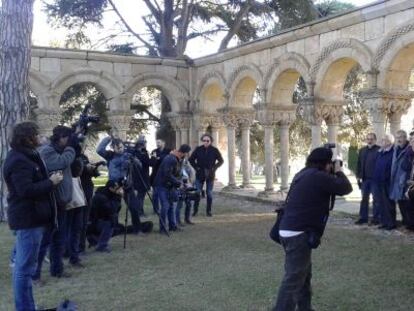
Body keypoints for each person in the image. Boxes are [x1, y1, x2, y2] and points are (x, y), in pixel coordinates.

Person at [273, 147, 352, 311]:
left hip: (288, 230)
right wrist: (339, 171)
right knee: (294, 279)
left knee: (304, 275)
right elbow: (345, 188)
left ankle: (305, 308)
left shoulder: (303, 173)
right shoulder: (319, 177)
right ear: (326, 163)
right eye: (330, 163)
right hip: (298, 234)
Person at [3, 122, 63, 311]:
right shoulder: (19, 159)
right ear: (28, 138)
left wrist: (48, 180)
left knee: (25, 268)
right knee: (24, 270)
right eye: (37, 134)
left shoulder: (28, 156)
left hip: (33, 217)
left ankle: (28, 306)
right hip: (28, 219)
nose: (40, 137)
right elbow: (25, 190)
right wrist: (50, 182)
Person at [34, 125, 76, 280]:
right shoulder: (47, 151)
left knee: (59, 239)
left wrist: (76, 151)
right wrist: (72, 148)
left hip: (61, 202)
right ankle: (35, 275)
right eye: (68, 138)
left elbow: (74, 168)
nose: (69, 141)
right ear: (62, 138)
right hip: (50, 203)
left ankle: (57, 270)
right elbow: (60, 163)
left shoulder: (61, 150)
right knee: (45, 241)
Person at [97, 136, 142, 233]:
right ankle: (114, 228)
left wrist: (133, 160)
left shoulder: (128, 155)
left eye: (121, 147)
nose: (120, 149)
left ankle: (137, 229)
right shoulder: (110, 155)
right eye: (117, 148)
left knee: (134, 207)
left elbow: (139, 165)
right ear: (113, 147)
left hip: (127, 185)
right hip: (114, 186)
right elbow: (99, 150)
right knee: (114, 209)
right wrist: (109, 138)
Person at [154, 144, 191, 233]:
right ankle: (162, 228)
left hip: (170, 185)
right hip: (162, 185)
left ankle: (172, 226)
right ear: (184, 153)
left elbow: (177, 174)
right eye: (187, 153)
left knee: (171, 205)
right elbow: (167, 174)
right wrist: (179, 183)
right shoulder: (171, 159)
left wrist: (183, 182)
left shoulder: (178, 159)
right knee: (165, 206)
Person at [189, 134, 224, 217]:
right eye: (204, 140)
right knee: (197, 193)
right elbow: (191, 159)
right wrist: (196, 167)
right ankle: (195, 211)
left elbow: (221, 161)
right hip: (200, 173)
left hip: (210, 174)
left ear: (210, 141)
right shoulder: (198, 149)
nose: (205, 142)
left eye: (207, 141)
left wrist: (214, 168)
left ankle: (208, 211)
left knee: (209, 193)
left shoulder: (214, 150)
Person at [89, 180, 124, 252]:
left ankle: (95, 239)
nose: (119, 190)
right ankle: (101, 246)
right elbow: (112, 210)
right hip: (93, 223)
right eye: (116, 188)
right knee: (111, 222)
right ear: (110, 188)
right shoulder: (101, 197)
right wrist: (118, 196)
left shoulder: (106, 193)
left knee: (114, 224)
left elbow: (116, 209)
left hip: (96, 221)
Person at [355, 133, 380, 225]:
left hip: (375, 180)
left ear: (375, 140)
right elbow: (358, 164)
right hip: (365, 179)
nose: (369, 141)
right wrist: (358, 176)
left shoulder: (379, 150)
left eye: (372, 139)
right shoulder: (362, 150)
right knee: (364, 199)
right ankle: (363, 218)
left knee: (376, 199)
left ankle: (376, 219)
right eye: (368, 139)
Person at [389, 130, 412, 229]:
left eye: (401, 137)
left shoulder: (409, 149)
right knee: (401, 203)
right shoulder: (395, 149)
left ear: (405, 138)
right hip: (396, 179)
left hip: (406, 181)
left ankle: (410, 225)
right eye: (397, 137)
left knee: (407, 204)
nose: (399, 139)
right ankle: (406, 223)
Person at [372, 134, 395, 230]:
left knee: (388, 204)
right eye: (382, 140)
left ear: (389, 141)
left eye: (384, 140)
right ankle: (383, 222)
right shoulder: (380, 152)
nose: (382, 142)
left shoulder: (393, 152)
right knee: (380, 203)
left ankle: (391, 223)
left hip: (387, 182)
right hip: (377, 182)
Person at [133, 135, 156, 217]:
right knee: (141, 196)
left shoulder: (134, 152)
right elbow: (150, 163)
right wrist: (153, 157)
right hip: (142, 177)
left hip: (136, 177)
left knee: (140, 196)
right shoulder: (142, 153)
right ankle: (139, 212)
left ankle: (140, 211)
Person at [175, 159, 200, 225]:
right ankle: (177, 221)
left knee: (188, 204)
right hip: (180, 188)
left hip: (187, 187)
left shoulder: (188, 167)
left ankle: (187, 219)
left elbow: (191, 177)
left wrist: (190, 186)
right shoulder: (177, 168)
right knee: (179, 205)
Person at [150, 139, 171, 214]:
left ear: (163, 143)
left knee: (165, 194)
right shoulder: (154, 151)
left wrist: (159, 158)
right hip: (155, 176)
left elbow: (168, 161)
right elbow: (152, 163)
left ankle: (165, 208)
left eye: (159, 142)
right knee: (155, 194)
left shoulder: (169, 151)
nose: (157, 144)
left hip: (165, 176)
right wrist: (156, 158)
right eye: (156, 143)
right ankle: (156, 210)